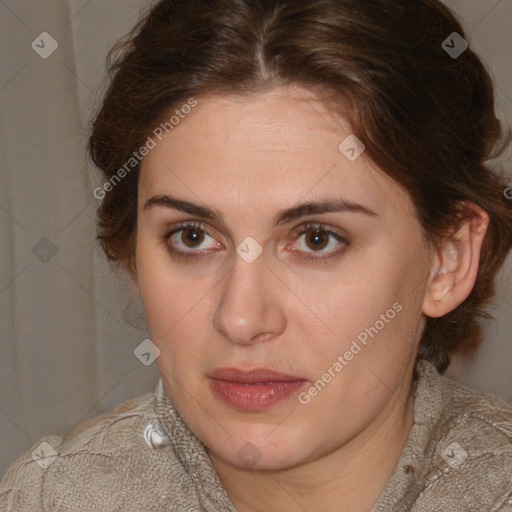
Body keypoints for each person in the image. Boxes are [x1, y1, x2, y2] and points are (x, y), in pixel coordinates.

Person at [1, 0, 512, 510]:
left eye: (317, 239)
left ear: (448, 259)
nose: (241, 318)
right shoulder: (51, 497)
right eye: (193, 237)